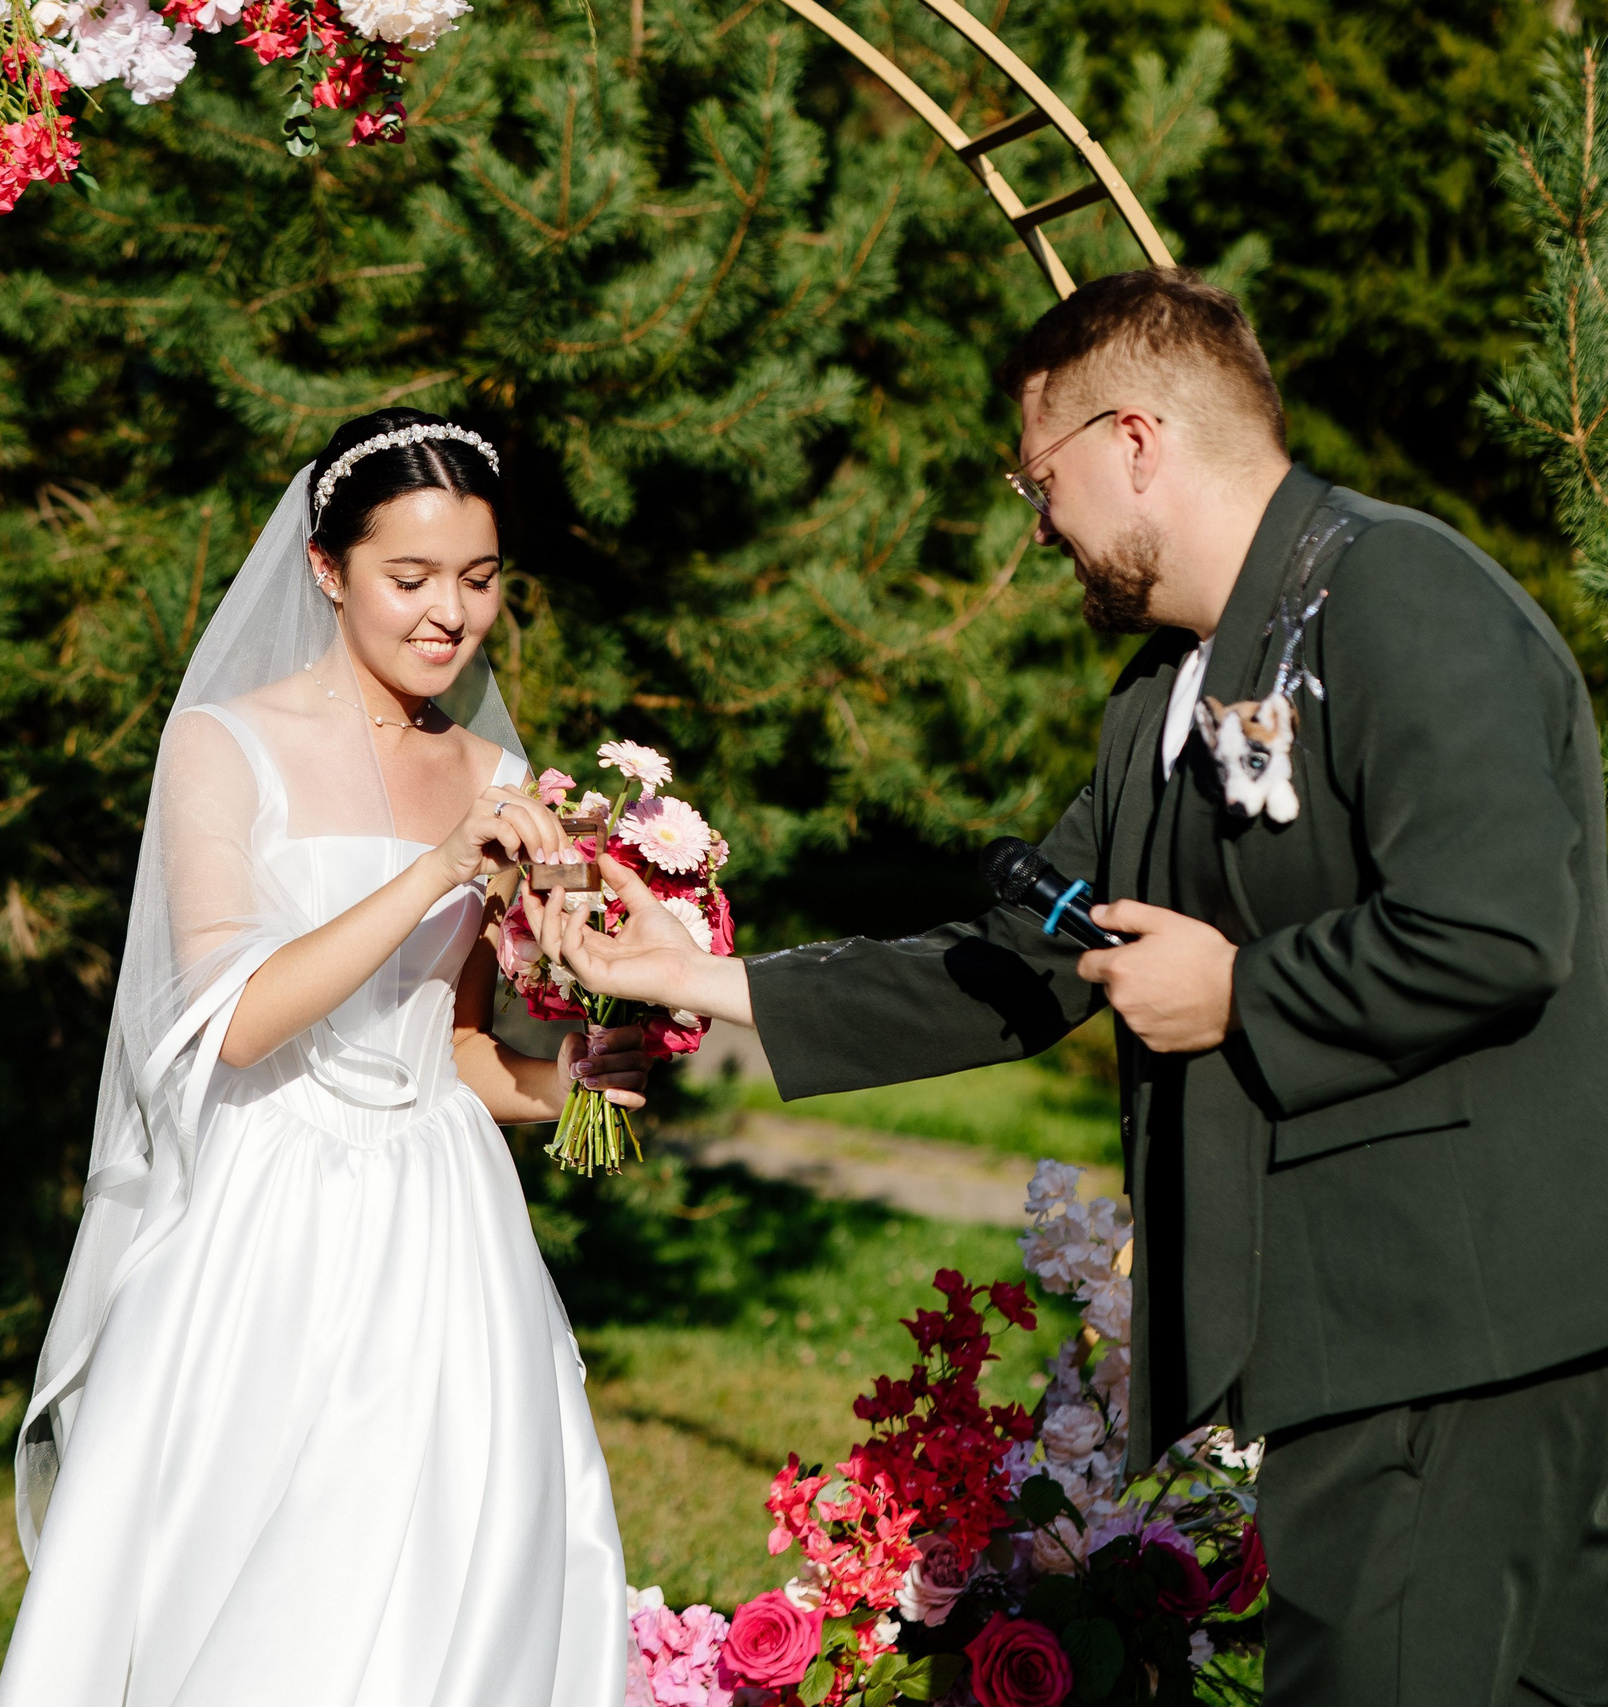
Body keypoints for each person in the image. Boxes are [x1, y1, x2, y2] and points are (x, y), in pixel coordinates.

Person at [528, 269, 1608, 1706]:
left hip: (1456, 1324)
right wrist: (695, 977)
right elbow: (1037, 966)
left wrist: (1243, 994)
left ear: (1136, 437)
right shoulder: (1166, 689)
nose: (1038, 526)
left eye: (1042, 480)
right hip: (1377, 1339)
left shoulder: (1398, 591)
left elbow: (1497, 927)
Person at [0, 408, 639, 1707]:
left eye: (479, 578)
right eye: (411, 579)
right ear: (329, 569)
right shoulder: (223, 746)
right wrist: (438, 871)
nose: (449, 615)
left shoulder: (497, 768)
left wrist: (576, 1083)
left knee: (458, 1573)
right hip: (266, 1216)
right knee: (267, 1585)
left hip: (446, 1220)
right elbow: (231, 1016)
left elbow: (450, 1044)